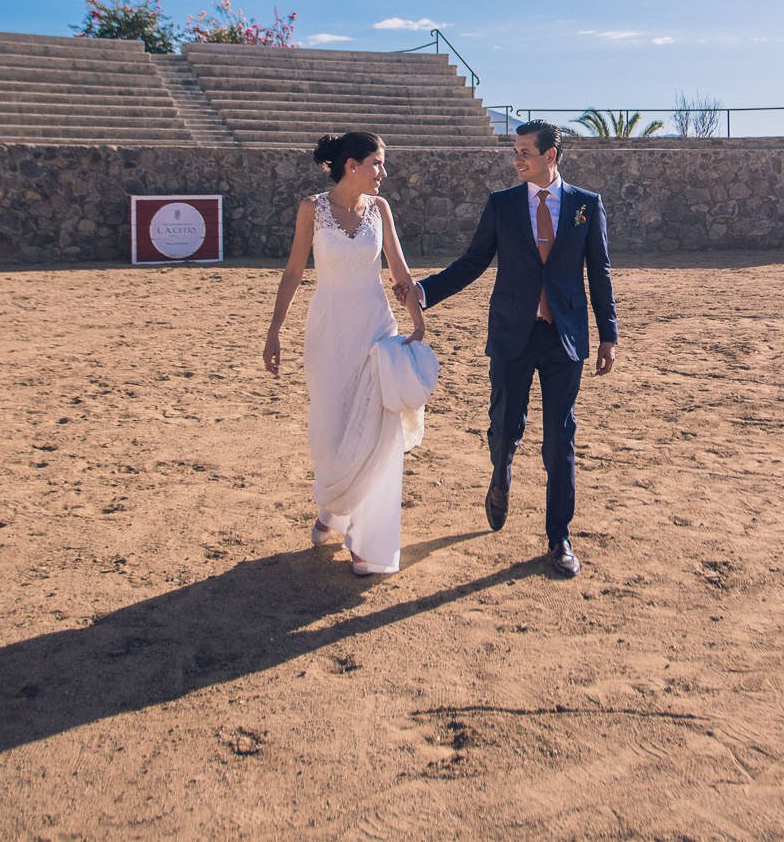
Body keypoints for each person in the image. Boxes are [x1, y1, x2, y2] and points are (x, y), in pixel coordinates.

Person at [416, 121, 618, 578]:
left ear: (551, 156)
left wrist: (609, 332)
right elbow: (473, 261)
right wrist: (425, 291)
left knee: (560, 437)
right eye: (515, 151)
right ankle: (501, 471)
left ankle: (559, 537)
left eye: (525, 152)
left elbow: (599, 271)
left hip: (564, 336)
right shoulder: (502, 205)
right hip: (511, 331)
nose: (517, 160)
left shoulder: (587, 206)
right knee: (505, 424)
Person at [264, 132, 427, 576]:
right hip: (329, 333)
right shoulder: (311, 210)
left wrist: (417, 317)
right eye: (377, 163)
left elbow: (398, 268)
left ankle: (362, 536)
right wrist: (274, 331)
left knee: (375, 432)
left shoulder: (381, 209)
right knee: (332, 428)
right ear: (351, 165)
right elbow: (294, 272)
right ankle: (332, 510)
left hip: (376, 331)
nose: (383, 172)